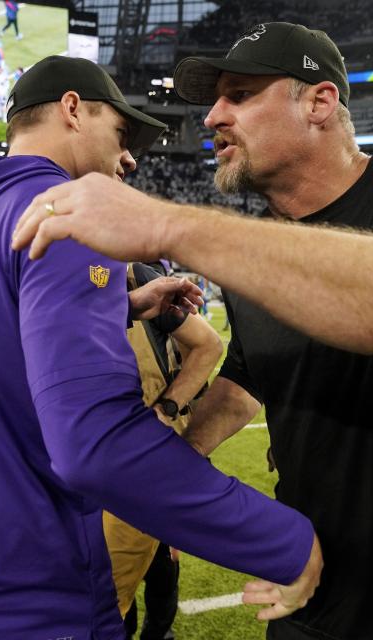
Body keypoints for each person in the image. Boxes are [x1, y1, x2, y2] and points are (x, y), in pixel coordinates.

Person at [11, 23, 373, 639]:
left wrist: (173, 226)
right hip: (314, 595)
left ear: (320, 102)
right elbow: (250, 376)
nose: (212, 115)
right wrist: (167, 466)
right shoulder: (252, 254)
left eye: (238, 94)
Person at [0, 54, 321, 640]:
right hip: (18, 591)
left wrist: (120, 306)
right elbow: (95, 445)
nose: (130, 157)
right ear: (73, 110)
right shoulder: (70, 219)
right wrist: (284, 543)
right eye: (122, 132)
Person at [107, 262, 222, 640]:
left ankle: (159, 632)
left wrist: (168, 407)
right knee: (110, 572)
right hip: (89, 454)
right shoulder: (49, 271)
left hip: (147, 452)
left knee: (156, 556)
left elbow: (207, 345)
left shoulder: (137, 274)